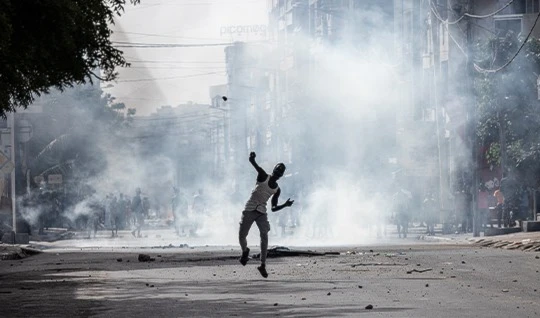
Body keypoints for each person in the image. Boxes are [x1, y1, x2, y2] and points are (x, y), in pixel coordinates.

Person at [239, 152, 294, 278]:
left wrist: (285, 205)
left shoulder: (277, 189)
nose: (278, 174)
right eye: (277, 170)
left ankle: (262, 265)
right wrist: (252, 158)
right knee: (242, 235)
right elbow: (253, 163)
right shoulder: (263, 175)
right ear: (274, 170)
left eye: (280, 173)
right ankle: (245, 251)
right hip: (250, 208)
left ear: (281, 176)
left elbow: (273, 208)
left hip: (261, 212)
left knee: (264, 236)